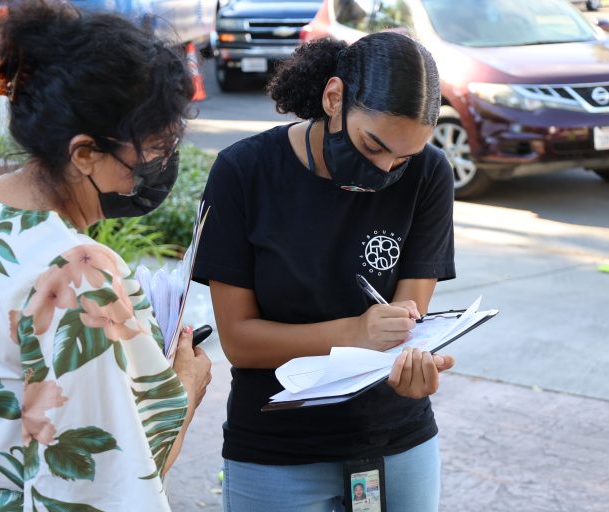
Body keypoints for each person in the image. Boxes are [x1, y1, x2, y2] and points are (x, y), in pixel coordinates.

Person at [0, 2, 211, 510]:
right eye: (152, 149)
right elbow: (108, 484)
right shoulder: (79, 273)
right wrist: (186, 386)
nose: (158, 166)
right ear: (83, 154)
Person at [193, 32, 456, 512]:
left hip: (398, 439)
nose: (386, 168)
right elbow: (240, 341)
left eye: (404, 157)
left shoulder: (429, 175)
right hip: (277, 450)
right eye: (372, 146)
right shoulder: (244, 173)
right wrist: (356, 331)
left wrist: (413, 363)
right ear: (334, 98)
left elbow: (408, 323)